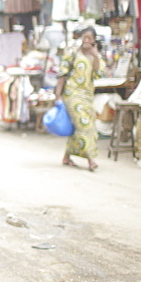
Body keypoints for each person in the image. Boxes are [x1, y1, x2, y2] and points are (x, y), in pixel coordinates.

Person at [55, 26, 102, 172]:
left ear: (94, 40)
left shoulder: (94, 55)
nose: (86, 41)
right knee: (84, 124)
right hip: (72, 93)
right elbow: (63, 74)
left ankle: (66, 157)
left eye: (90, 38)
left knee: (84, 126)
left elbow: (98, 73)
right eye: (84, 37)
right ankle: (91, 159)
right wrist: (57, 95)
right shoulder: (73, 53)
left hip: (87, 95)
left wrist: (95, 55)